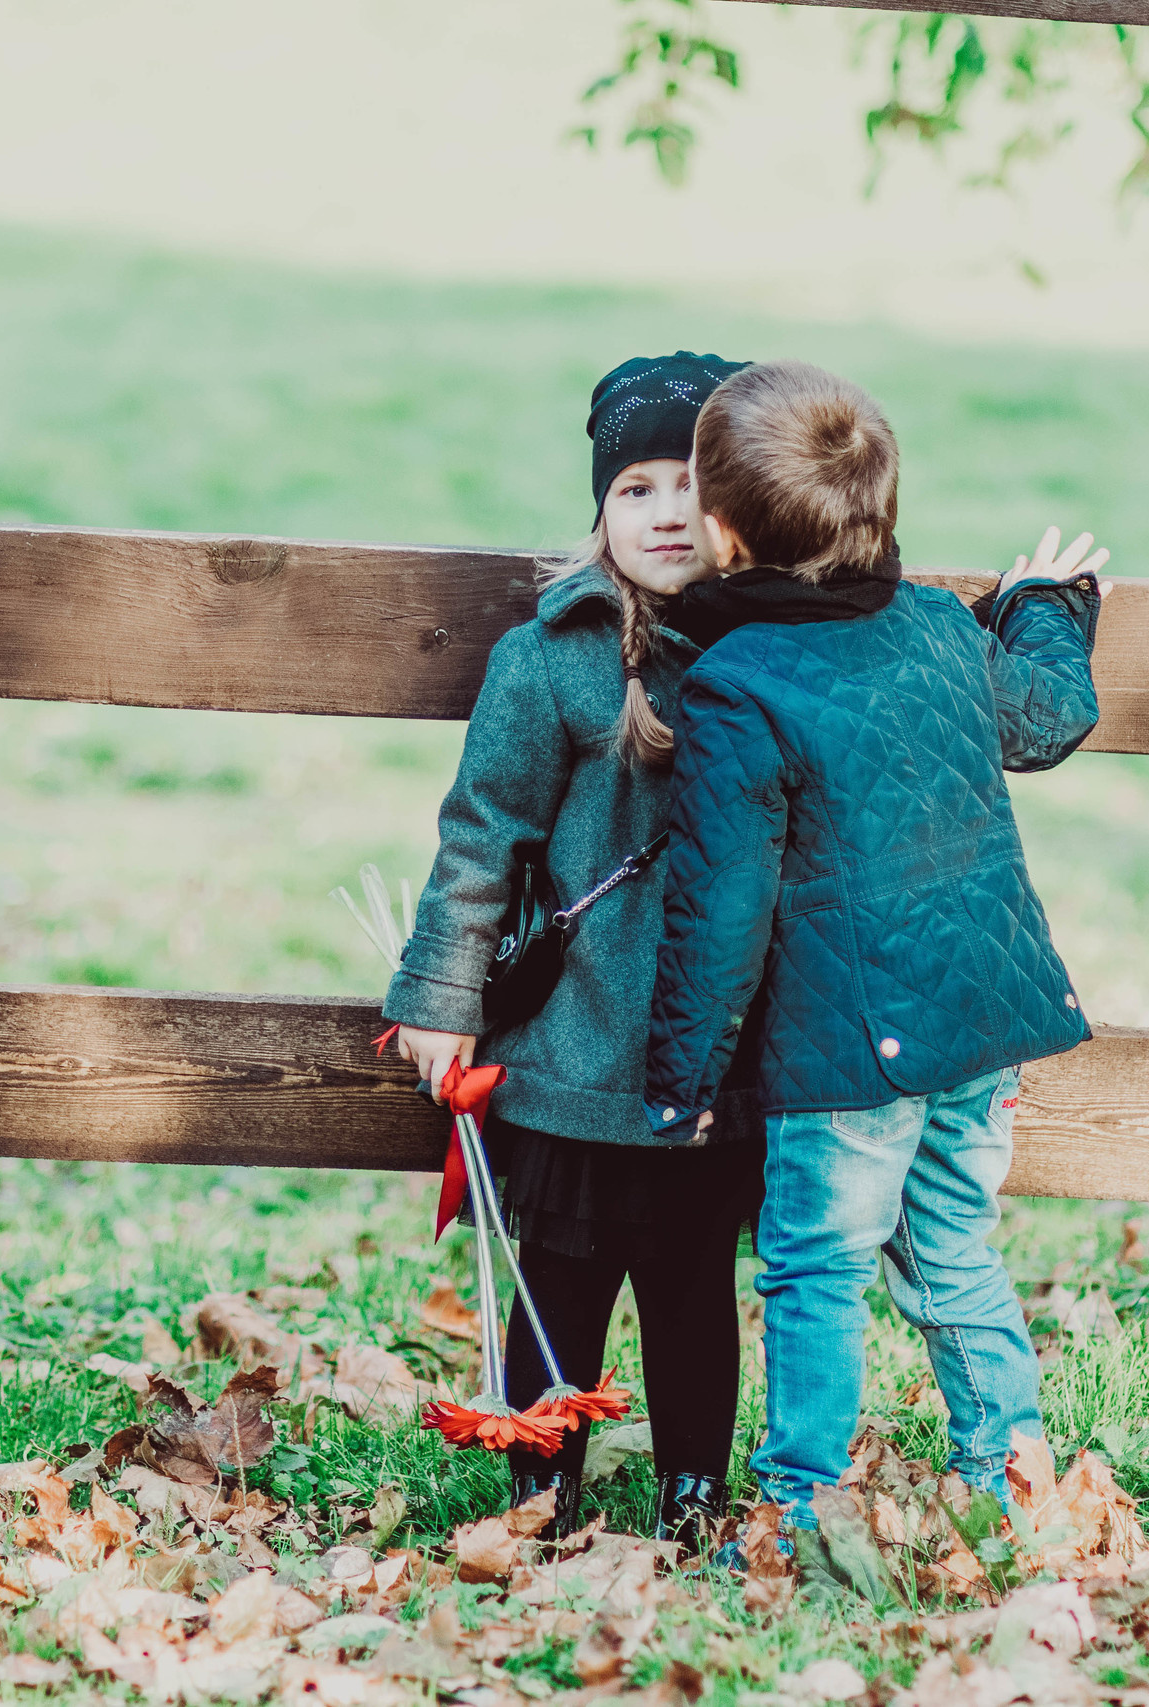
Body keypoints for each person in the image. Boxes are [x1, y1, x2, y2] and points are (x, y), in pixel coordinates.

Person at [642, 360, 1105, 1533]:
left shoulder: (736, 685)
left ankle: (798, 1507)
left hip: (848, 1046)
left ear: (724, 532)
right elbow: (1050, 714)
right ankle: (1010, 1474)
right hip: (980, 1022)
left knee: (817, 1268)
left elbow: (718, 906)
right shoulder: (941, 626)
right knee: (952, 1248)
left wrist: (683, 1079)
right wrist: (1041, 606)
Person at [384, 352, 764, 1549]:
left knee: (694, 1294)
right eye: (634, 488)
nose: (664, 512)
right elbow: (481, 839)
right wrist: (441, 992)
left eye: (691, 485)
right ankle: (538, 1494)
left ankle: (693, 1494)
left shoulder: (777, 650)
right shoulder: (549, 659)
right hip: (570, 1053)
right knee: (558, 1290)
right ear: (600, 508)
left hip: (711, 1067)